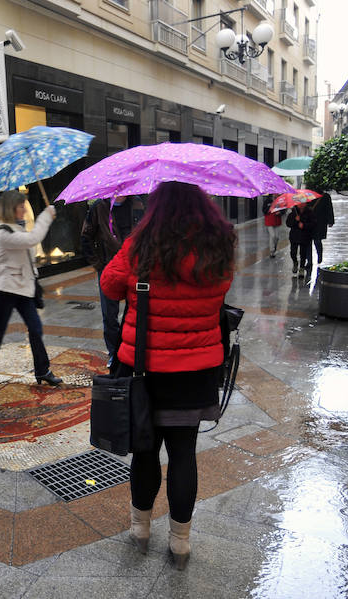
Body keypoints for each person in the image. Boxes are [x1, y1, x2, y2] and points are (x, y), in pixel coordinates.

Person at [100, 181, 235, 571]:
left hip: (144, 371)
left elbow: (110, 287)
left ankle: (140, 529)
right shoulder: (219, 245)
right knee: (182, 454)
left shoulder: (140, 246)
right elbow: (221, 289)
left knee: (145, 451)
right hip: (196, 371)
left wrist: (127, 247)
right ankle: (180, 541)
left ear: (155, 207)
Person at [0, 191, 62, 386]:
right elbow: (32, 240)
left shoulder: (18, 228)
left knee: (35, 328)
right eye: (21, 206)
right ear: (11, 208)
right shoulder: (3, 232)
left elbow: (28, 253)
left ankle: (42, 371)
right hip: (6, 290)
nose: (25, 209)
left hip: (24, 290)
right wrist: (46, 216)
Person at [80, 195, 145, 368]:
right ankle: (114, 353)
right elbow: (86, 236)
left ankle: (133, 351)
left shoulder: (137, 203)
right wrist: (98, 264)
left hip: (135, 265)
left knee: (136, 311)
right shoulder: (99, 208)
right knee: (109, 315)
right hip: (109, 267)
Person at [286, 202, 315, 278]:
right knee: (293, 252)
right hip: (294, 236)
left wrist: (304, 225)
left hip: (305, 236)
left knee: (303, 253)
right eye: (299, 203)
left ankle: (302, 268)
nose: (301, 205)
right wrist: (295, 220)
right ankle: (295, 262)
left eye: (303, 203)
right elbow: (288, 223)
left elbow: (313, 223)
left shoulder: (309, 212)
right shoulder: (293, 212)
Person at [310, 191, 335, 264]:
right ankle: (309, 261)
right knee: (308, 242)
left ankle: (319, 256)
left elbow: (329, 208)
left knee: (317, 240)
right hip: (308, 221)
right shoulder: (309, 195)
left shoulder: (325, 196)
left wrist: (330, 221)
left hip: (320, 222)